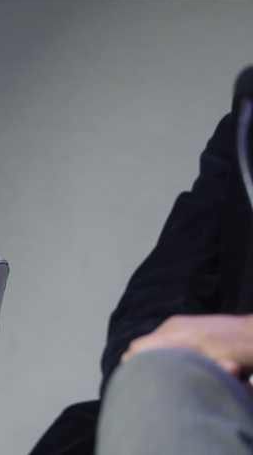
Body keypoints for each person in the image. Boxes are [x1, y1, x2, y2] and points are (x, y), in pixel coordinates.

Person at [31, 107, 253, 455]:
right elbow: (164, 286)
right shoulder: (245, 126)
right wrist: (161, 355)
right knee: (101, 418)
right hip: (227, 400)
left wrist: (241, 338)